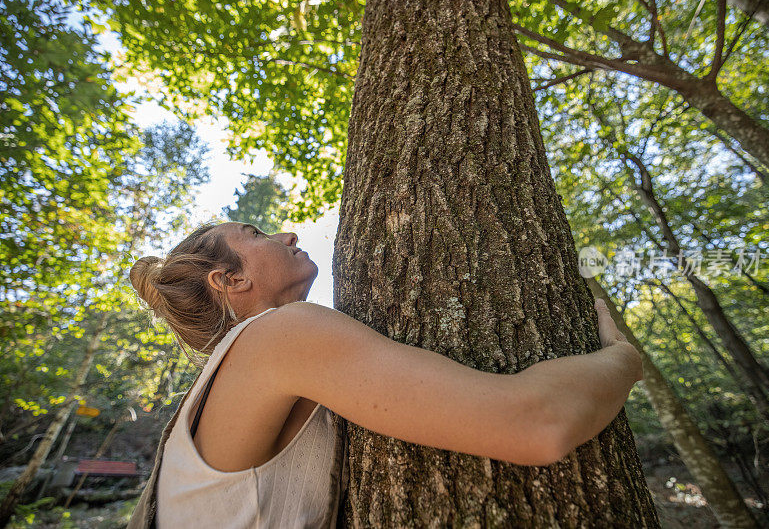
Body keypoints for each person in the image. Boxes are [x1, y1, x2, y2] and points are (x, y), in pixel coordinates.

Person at [126, 221, 643, 529]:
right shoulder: (280, 337)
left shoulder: (232, 379)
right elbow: (536, 424)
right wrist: (623, 359)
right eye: (256, 232)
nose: (287, 232)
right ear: (231, 279)